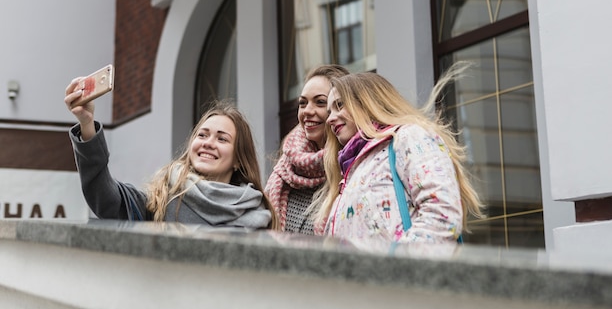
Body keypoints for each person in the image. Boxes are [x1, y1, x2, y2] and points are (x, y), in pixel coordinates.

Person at [64, 77, 277, 229]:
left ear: (239, 159)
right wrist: (87, 124)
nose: (208, 143)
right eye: (202, 135)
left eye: (222, 139)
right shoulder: (162, 197)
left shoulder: (255, 213)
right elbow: (105, 198)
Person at [313, 66, 483, 243]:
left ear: (367, 101)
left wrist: (395, 266)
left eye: (339, 105)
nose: (330, 119)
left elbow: (442, 215)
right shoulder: (348, 171)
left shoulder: (408, 137)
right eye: (329, 112)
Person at [265, 64, 349, 234]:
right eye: (303, 103)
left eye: (320, 102)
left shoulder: (353, 164)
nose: (307, 111)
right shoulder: (285, 170)